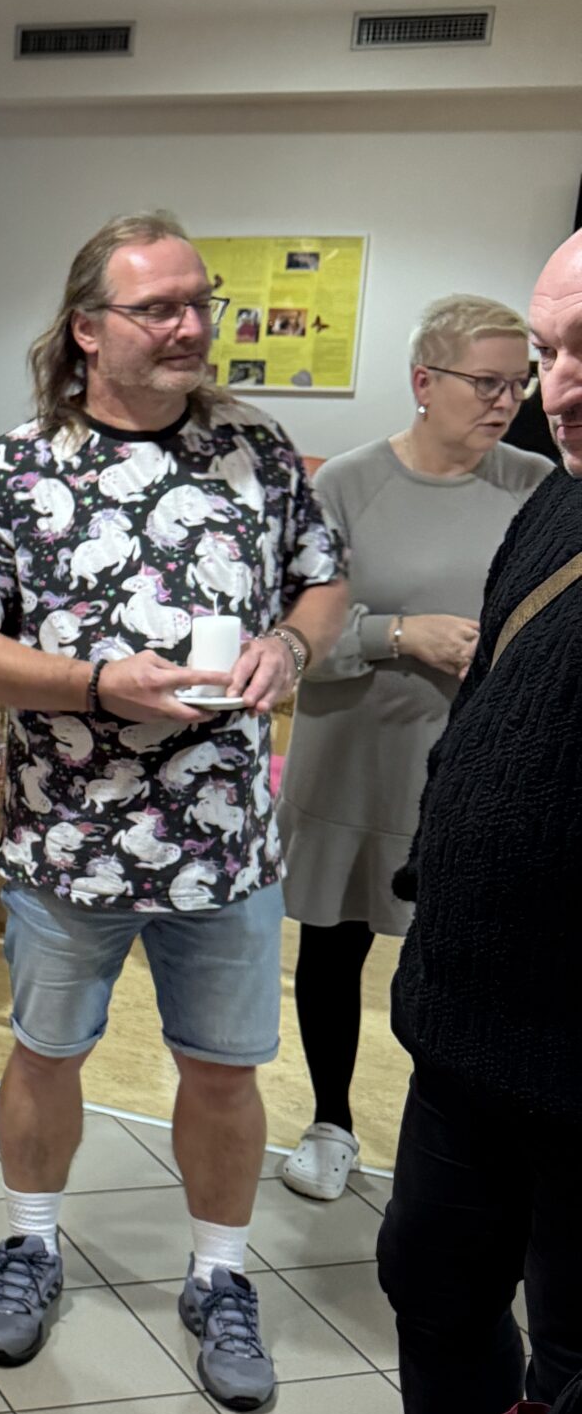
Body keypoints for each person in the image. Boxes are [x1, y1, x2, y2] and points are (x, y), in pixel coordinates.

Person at [0, 211, 347, 1413]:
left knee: (223, 1072)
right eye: (159, 307)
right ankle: (31, 1242)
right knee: (47, 1052)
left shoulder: (257, 452)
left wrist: (290, 649)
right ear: (87, 329)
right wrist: (96, 685)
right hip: (69, 839)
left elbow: (323, 581)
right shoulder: (16, 468)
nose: (191, 326)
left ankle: (219, 1275)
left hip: (224, 846)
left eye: (201, 302)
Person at [335, 229, 582, 1414]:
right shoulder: (554, 504)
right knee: (432, 1295)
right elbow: (488, 717)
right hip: (466, 1039)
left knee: (574, 1382)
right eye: (549, 353)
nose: (557, 387)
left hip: (576, 1073)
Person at [278, 297, 548, 1200]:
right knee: (336, 951)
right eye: (487, 382)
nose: (506, 401)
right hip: (354, 762)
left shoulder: (540, 487)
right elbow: (293, 636)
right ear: (424, 381)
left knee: (464, 969)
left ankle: (452, 1151)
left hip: (478, 776)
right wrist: (400, 634)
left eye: (519, 383)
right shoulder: (345, 485)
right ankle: (330, 1123)